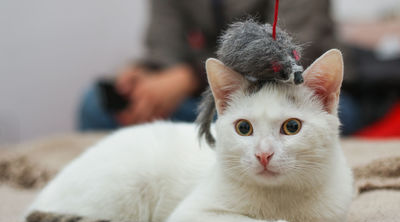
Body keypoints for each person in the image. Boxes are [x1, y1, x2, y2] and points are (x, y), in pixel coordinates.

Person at [78, 0, 342, 131]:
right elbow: (164, 51)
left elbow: (291, 54)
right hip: (214, 94)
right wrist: (145, 75)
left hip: (291, 94)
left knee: (241, 126)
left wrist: (189, 76)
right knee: (96, 105)